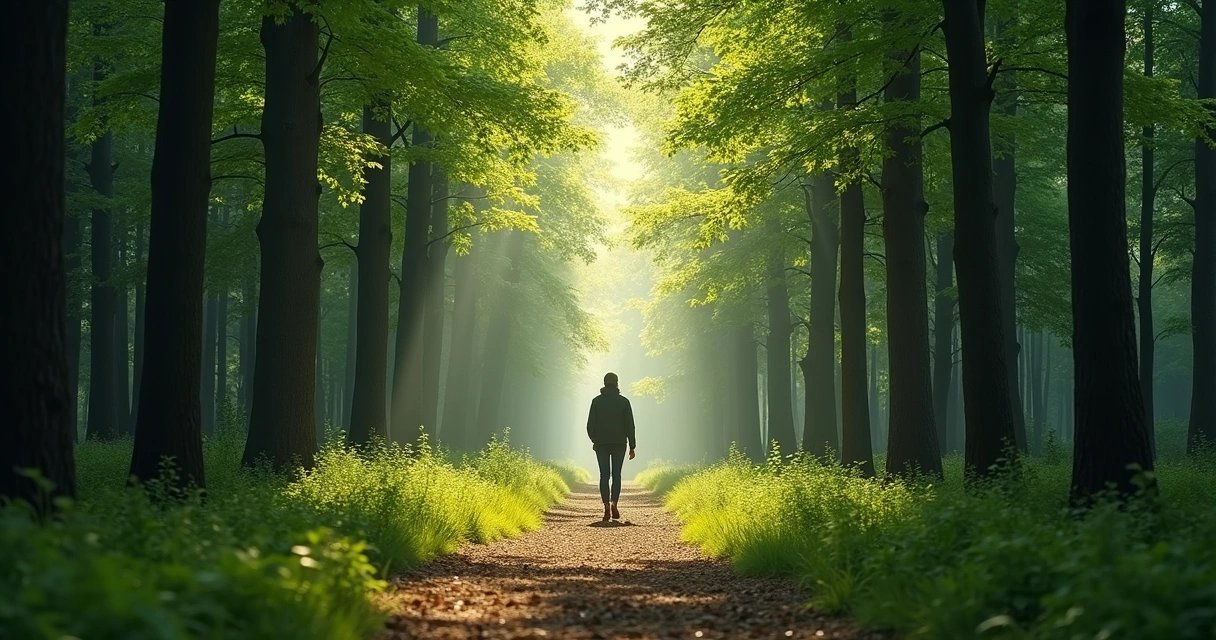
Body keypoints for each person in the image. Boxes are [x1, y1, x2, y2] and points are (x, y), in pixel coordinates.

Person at [585, 371, 636, 521]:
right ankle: (615, 503)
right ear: (617, 383)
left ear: (604, 383)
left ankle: (606, 505)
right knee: (617, 475)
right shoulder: (624, 402)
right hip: (619, 443)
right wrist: (632, 445)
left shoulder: (596, 401)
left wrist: (595, 440)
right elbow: (630, 426)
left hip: (601, 443)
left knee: (604, 475)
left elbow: (590, 425)